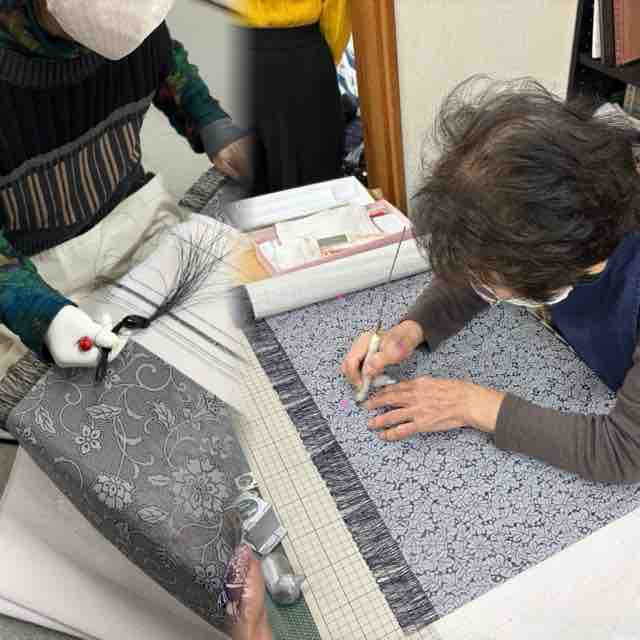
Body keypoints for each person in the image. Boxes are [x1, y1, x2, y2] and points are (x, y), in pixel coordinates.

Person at [342, 77, 640, 484]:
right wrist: (411, 329)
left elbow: (623, 451)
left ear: (558, 260)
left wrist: (470, 404)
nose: (480, 285)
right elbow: (490, 261)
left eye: (491, 280)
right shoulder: (572, 209)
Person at [0, 0, 251, 378]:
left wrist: (211, 122)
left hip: (135, 217)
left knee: (228, 328)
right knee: (77, 398)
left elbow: (163, 63)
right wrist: (41, 314)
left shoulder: (136, 22)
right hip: (32, 267)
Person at [240, 0, 351, 195]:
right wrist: (323, 59)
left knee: (250, 174)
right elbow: (337, 13)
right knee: (313, 176)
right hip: (303, 54)